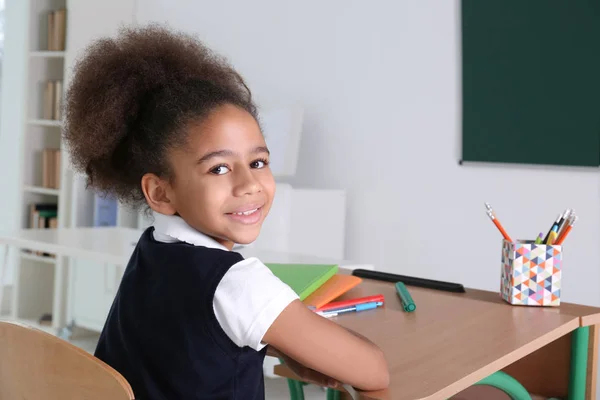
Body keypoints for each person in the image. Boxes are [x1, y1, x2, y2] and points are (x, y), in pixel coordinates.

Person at [62, 24, 389, 399]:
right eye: (219, 168)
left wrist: (284, 342)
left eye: (259, 162)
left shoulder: (153, 250)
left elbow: (197, 334)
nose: (248, 184)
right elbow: (374, 369)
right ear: (160, 192)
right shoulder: (238, 284)